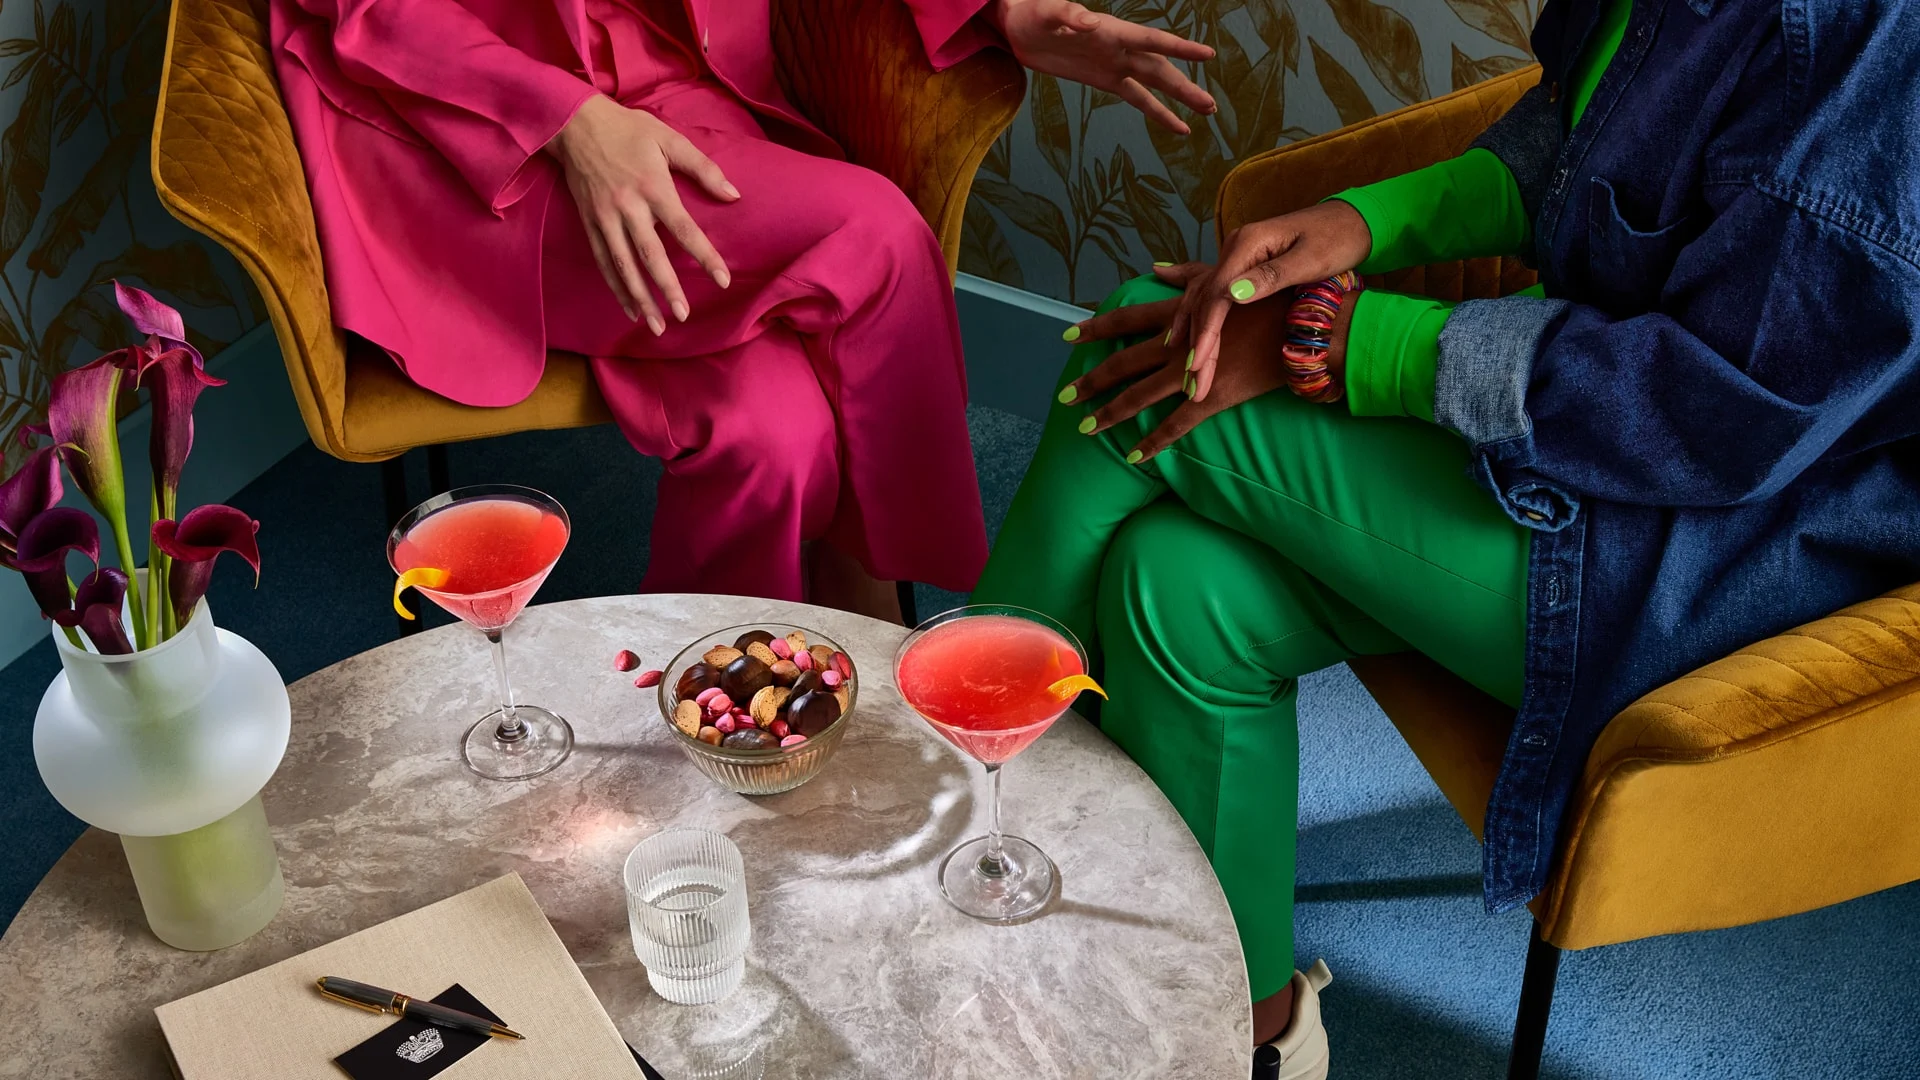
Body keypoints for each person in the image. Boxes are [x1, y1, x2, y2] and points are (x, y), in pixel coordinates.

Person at [974, 0, 1920, 1073]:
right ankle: (1251, 1032)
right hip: (1603, 464)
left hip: (1724, 570)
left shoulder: (1881, 48)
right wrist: (1366, 221)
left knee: (1142, 373)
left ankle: (955, 808)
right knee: (1179, 590)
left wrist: (1346, 342)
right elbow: (1584, 135)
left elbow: (1723, 408)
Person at [270, 0, 1215, 619]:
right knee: (874, 237)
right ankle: (888, 623)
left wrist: (998, 11)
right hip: (471, 144)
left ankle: (706, 701)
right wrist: (570, 121)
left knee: (776, 433)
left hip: (674, 97)